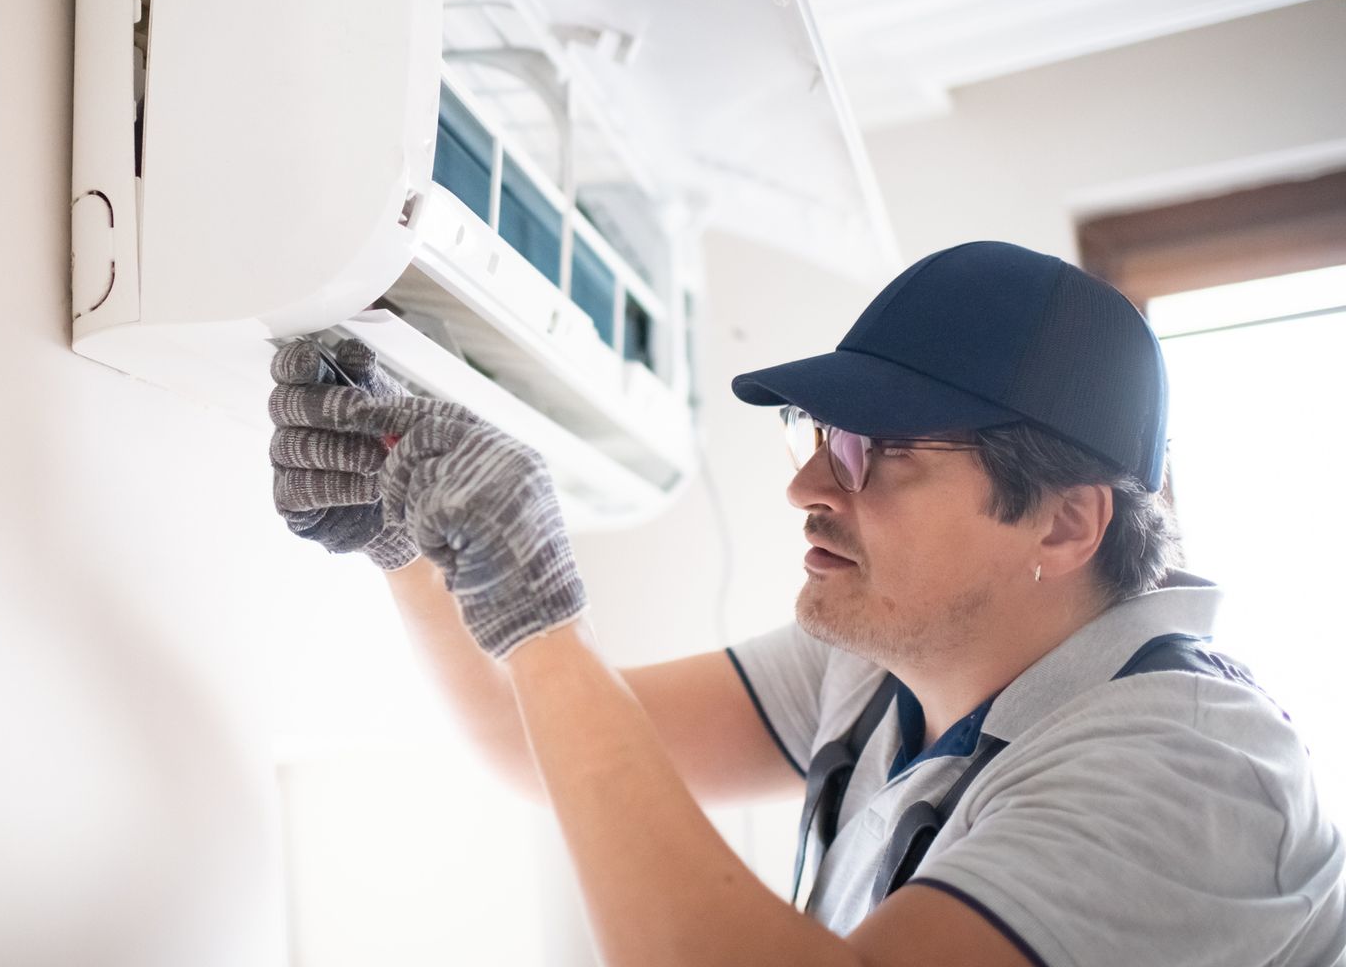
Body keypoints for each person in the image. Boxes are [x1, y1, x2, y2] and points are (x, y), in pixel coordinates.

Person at [267, 240, 1345, 967]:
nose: (808, 486)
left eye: (873, 450)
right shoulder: (880, 655)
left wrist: (541, 613)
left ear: (1064, 524)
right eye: (819, 434)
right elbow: (526, 736)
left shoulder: (1191, 770)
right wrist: (403, 532)